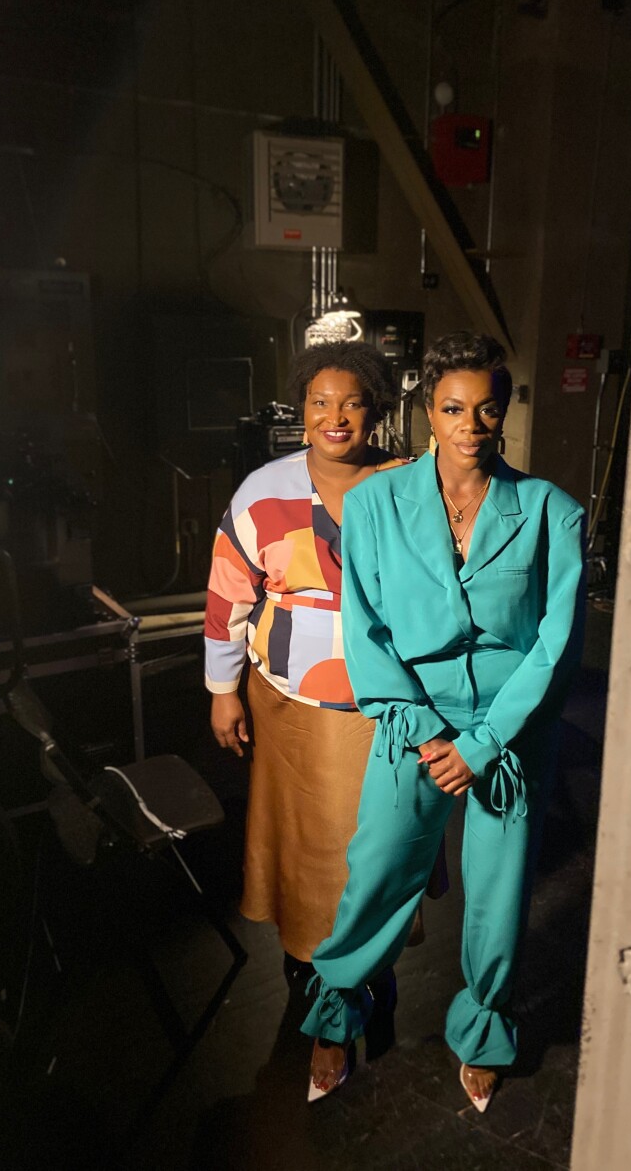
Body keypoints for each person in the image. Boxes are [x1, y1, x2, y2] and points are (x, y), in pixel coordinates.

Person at [301, 332, 586, 1110]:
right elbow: (364, 629)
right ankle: (338, 1012)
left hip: (511, 722)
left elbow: (556, 643)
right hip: (411, 719)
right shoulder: (375, 504)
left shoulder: (552, 512)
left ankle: (483, 1028)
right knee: (381, 870)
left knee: (498, 892)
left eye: (487, 409)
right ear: (430, 411)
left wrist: (485, 742)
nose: (471, 424)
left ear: (504, 413)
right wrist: (430, 734)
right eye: (455, 408)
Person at [204, 341, 404, 983]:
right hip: (288, 697)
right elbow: (228, 592)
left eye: (352, 402)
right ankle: (309, 965)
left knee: (373, 842)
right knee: (301, 842)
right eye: (321, 402)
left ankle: (370, 963)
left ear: (376, 410)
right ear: (303, 409)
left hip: (387, 700)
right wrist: (221, 688)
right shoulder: (264, 489)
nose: (335, 416)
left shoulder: (409, 481)